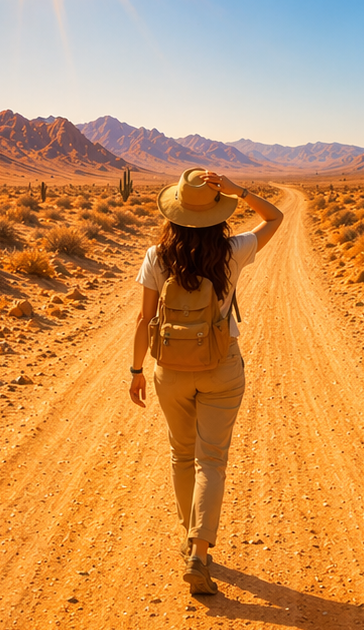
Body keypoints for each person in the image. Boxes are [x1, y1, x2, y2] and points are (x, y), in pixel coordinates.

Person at [127, 167, 283, 594]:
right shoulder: (233, 250)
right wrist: (242, 191)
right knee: (210, 459)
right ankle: (199, 549)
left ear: (174, 211)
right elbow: (275, 218)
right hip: (221, 365)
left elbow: (144, 318)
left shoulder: (157, 256)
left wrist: (137, 370)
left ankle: (188, 537)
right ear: (218, 213)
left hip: (170, 369)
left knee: (181, 454)